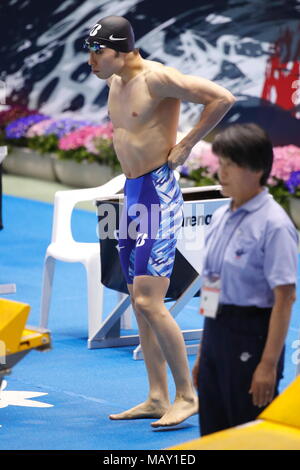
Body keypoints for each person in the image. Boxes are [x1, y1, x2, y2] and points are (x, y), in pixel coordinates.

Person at [84, 15, 235, 428]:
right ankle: (156, 396)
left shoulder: (158, 78)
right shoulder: (115, 81)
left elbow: (221, 97)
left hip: (158, 195)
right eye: (89, 52)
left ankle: (188, 396)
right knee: (139, 301)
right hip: (132, 196)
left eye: (98, 52)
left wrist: (186, 144)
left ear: (122, 50)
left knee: (151, 300)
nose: (91, 61)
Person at [192, 123, 298, 436]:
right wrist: (203, 352)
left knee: (247, 433)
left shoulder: (274, 225)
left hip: (251, 335)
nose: (221, 173)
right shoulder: (222, 216)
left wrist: (267, 364)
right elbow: (211, 284)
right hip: (216, 333)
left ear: (256, 169)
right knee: (212, 432)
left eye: (230, 166)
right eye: (220, 164)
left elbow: (285, 298)